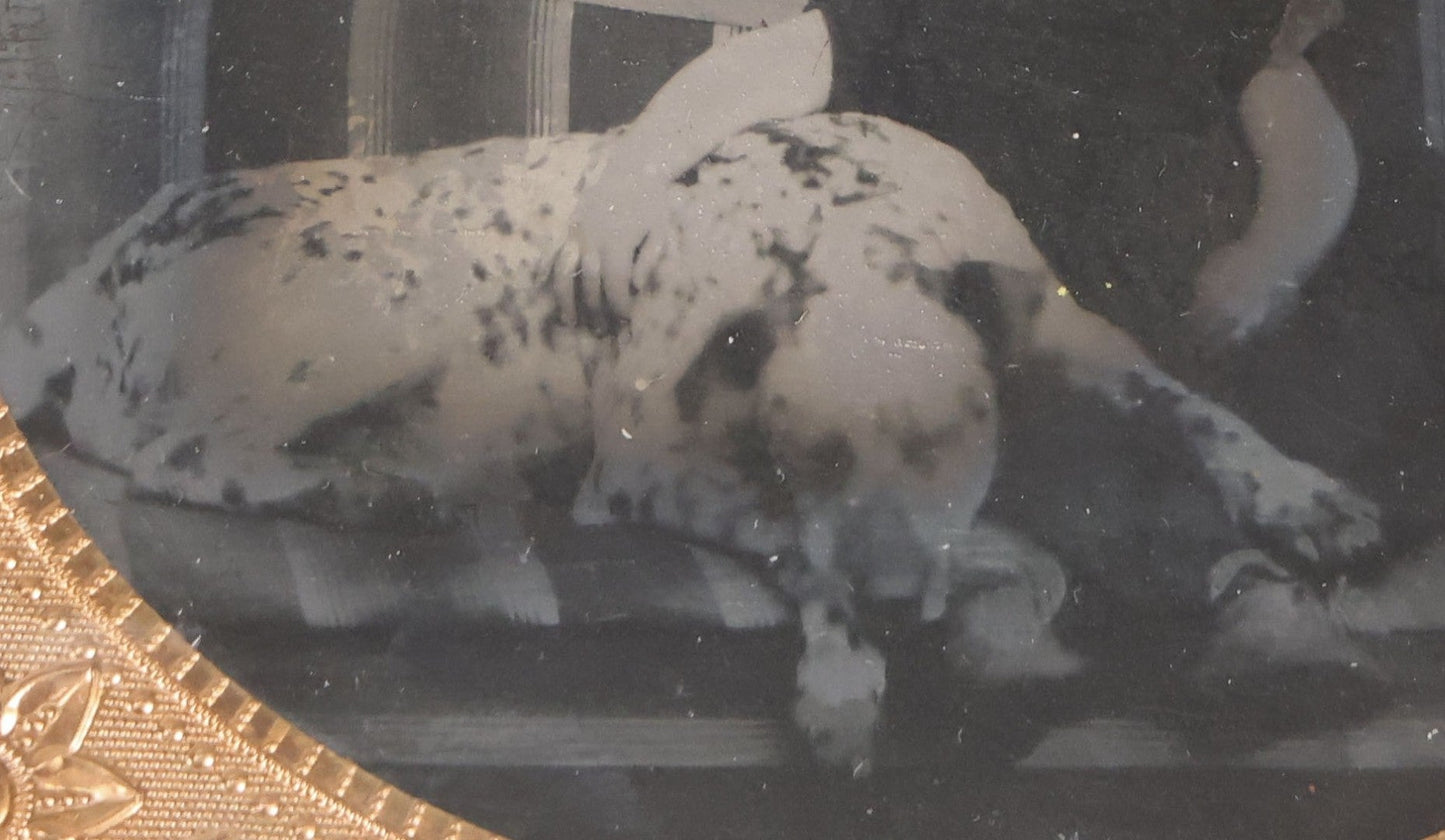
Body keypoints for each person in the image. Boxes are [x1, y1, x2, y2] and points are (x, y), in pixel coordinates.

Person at [567, 0, 1383, 692]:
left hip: (1173, 303)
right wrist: (632, 180)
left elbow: (1303, 132)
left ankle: (1254, 580)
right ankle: (1235, 590)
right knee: (1043, 448)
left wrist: (1273, 257)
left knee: (1294, 388)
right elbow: (758, 68)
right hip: (986, 318)